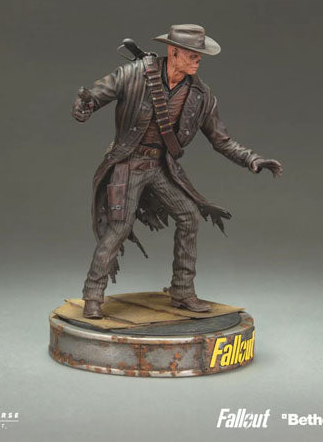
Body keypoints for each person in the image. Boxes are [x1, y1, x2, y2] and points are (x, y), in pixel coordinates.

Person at [72, 24, 282, 318]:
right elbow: (95, 95)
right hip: (128, 165)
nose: (198, 59)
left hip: (161, 167)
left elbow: (221, 141)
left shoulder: (201, 96)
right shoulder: (134, 74)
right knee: (118, 228)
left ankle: (182, 290)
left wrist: (253, 160)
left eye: (200, 54)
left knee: (189, 216)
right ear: (173, 52)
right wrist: (84, 106)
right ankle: (93, 296)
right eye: (193, 54)